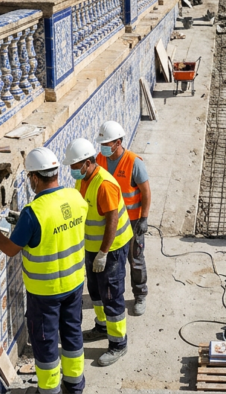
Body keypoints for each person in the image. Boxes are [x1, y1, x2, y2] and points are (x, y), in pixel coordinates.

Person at [0, 147, 87, 394]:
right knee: (72, 335)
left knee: (45, 343)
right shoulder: (75, 198)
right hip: (74, 285)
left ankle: (49, 391)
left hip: (45, 293)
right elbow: (57, 230)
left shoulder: (32, 213)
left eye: (30, 177)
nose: (30, 181)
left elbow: (9, 249)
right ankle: (74, 386)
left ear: (35, 178)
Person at [64, 138, 133, 367]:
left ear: (87, 163)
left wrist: (103, 252)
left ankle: (118, 344)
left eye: (75, 167)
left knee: (111, 294)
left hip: (110, 249)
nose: (73, 171)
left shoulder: (104, 184)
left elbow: (112, 219)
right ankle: (102, 327)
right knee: (95, 291)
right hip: (93, 247)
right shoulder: (84, 179)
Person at [96, 121, 151, 317]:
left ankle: (140, 294)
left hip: (133, 221)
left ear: (118, 143)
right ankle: (114, 295)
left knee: (135, 259)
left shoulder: (134, 162)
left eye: (107, 143)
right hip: (111, 222)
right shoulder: (100, 159)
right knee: (113, 261)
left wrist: (144, 218)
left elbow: (146, 192)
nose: (103, 147)